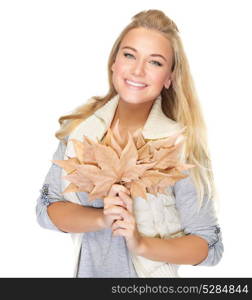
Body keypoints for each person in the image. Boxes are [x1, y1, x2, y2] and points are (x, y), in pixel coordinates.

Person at [36, 9, 223, 278]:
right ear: (114, 62)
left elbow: (209, 244)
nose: (137, 70)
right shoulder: (79, 131)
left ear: (169, 77)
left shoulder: (181, 147)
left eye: (155, 62)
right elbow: (46, 208)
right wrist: (101, 219)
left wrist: (141, 243)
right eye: (129, 55)